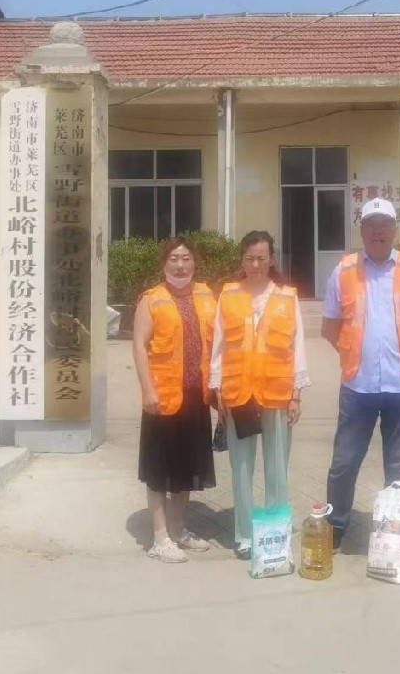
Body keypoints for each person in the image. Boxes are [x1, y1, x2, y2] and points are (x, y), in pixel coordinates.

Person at [322, 198, 400, 550]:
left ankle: (395, 531)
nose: (378, 230)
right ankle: (336, 524)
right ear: (361, 229)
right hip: (357, 386)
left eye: (384, 224)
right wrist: (350, 353)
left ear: (394, 229)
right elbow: (330, 326)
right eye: (371, 223)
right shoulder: (343, 271)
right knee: (343, 463)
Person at [211, 230, 310, 560]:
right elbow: (219, 346)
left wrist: (296, 393)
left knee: (276, 467)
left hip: (277, 393)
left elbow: (298, 347)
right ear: (242, 259)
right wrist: (218, 390)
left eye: (262, 258)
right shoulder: (228, 295)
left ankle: (275, 533)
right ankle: (244, 535)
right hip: (239, 392)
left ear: (271, 259)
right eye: (250, 258)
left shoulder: (286, 296)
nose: (256, 264)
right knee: (241, 466)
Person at [132, 238, 218, 563]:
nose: (180, 265)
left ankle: (179, 528)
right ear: (164, 264)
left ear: (194, 263)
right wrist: (148, 390)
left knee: (187, 467)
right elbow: (139, 346)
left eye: (186, 259)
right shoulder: (151, 300)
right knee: (159, 468)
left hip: (196, 397)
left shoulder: (207, 295)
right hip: (163, 398)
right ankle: (159, 537)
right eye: (173, 259)